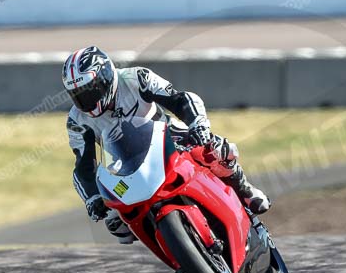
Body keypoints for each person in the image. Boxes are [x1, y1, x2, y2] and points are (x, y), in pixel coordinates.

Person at [63, 45, 270, 244]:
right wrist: (92, 199)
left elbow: (179, 99)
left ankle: (244, 191)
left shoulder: (136, 78)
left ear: (105, 77)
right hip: (123, 164)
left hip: (168, 138)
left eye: (88, 91)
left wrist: (198, 124)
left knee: (214, 150)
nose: (85, 100)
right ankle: (176, 250)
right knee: (116, 224)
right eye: (77, 95)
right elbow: (84, 166)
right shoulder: (77, 120)